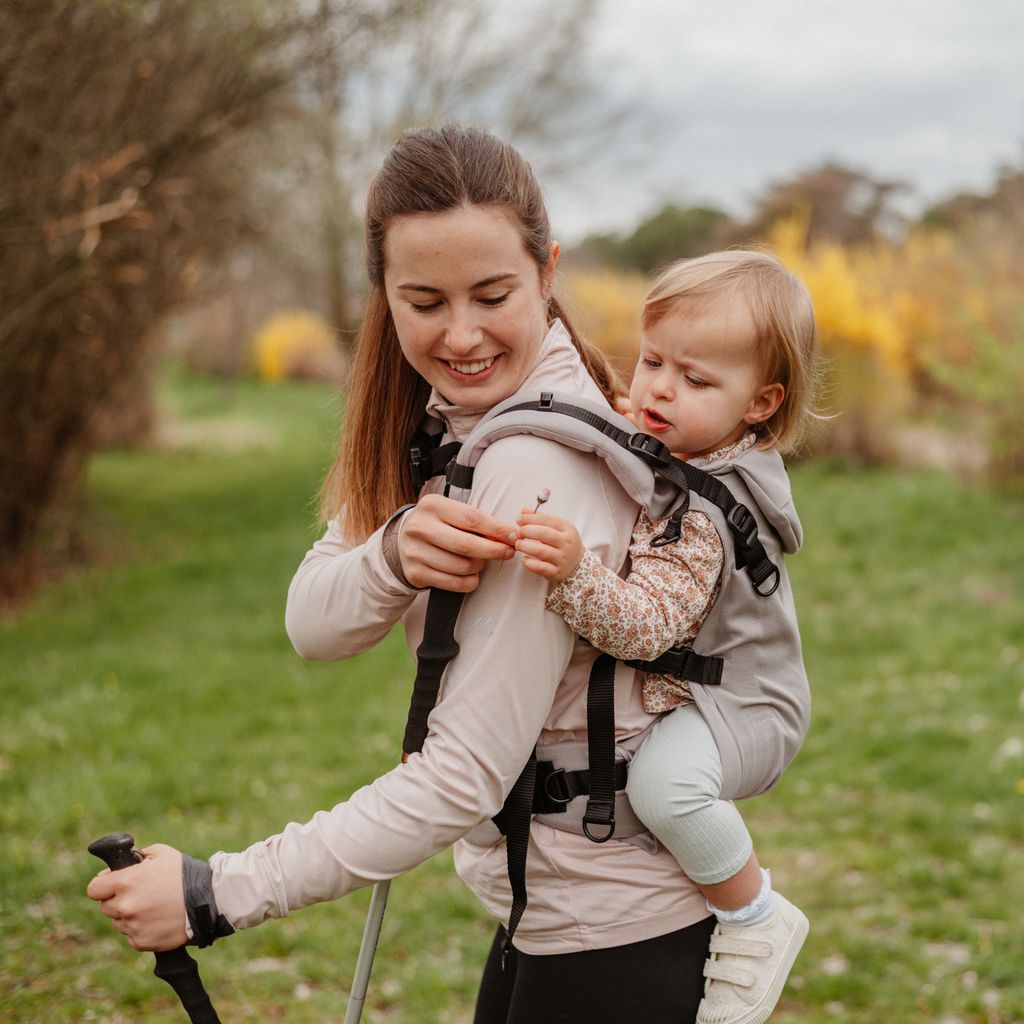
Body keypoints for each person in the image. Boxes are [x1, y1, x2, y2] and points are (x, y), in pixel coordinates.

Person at [87, 124, 722, 1023]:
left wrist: (215, 892)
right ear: (381, 293)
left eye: (492, 294)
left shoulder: (539, 464)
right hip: (543, 921)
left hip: (615, 940)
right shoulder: (444, 424)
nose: (460, 334)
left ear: (549, 271)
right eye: (423, 300)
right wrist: (392, 553)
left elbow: (462, 772)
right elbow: (314, 625)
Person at [514, 250, 816, 1024]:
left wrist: (578, 574)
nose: (658, 389)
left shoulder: (707, 520)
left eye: (697, 379)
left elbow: (647, 629)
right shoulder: (684, 441)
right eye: (653, 360)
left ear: (761, 402)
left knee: (662, 786)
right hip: (714, 690)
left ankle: (753, 915)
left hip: (745, 705)